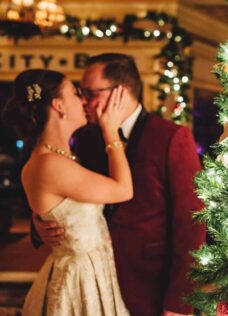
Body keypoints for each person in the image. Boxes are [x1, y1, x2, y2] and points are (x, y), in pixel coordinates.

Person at [33, 53, 206, 316]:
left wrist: (179, 303)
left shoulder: (171, 137)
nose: (84, 101)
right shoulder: (85, 138)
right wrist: (41, 225)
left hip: (149, 286)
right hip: (93, 285)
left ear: (120, 92)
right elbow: (66, 197)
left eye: (91, 93)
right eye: (80, 93)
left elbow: (192, 224)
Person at [2, 69, 133, 316]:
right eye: (75, 93)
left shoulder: (61, 157)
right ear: (58, 106)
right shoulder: (50, 163)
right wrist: (111, 131)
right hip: (79, 277)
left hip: (92, 268)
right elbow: (123, 190)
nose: (83, 100)